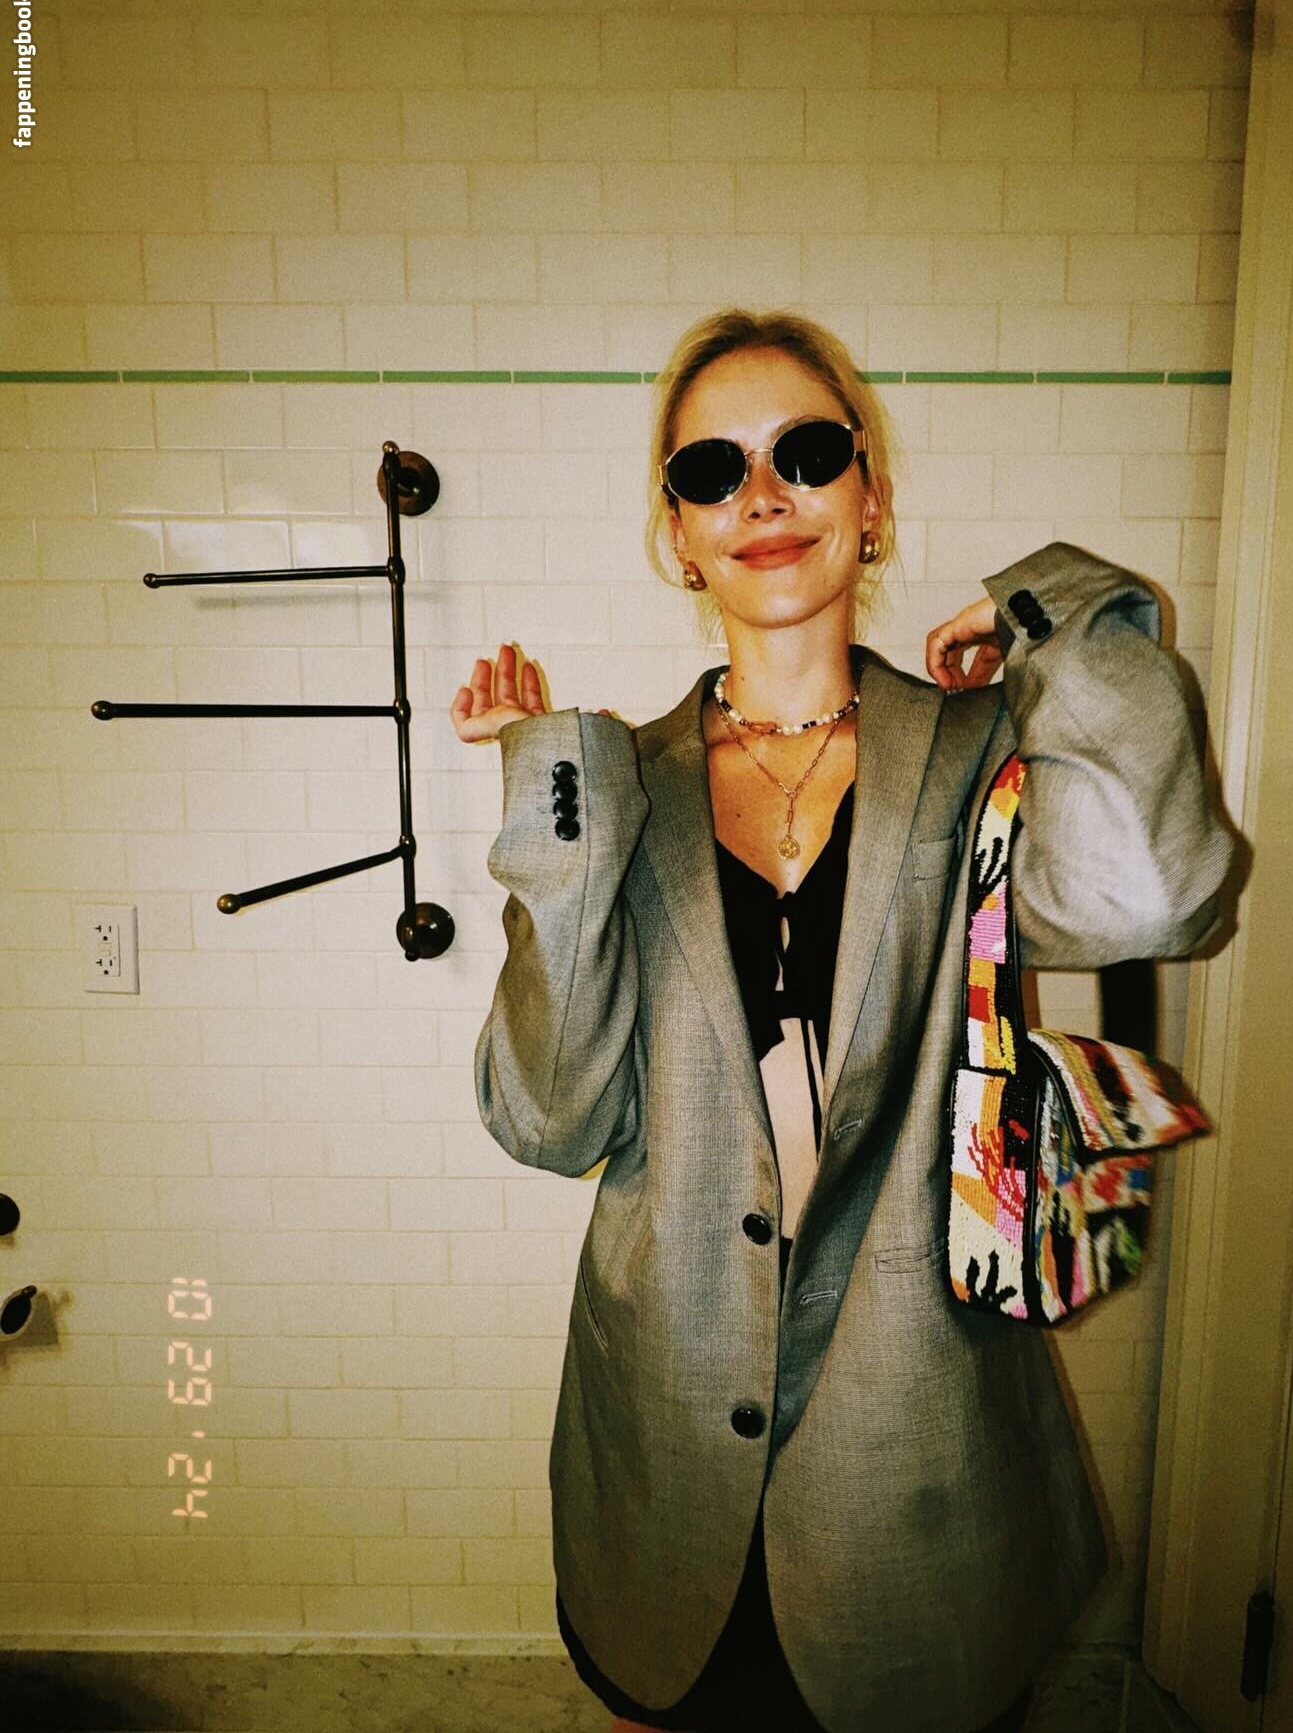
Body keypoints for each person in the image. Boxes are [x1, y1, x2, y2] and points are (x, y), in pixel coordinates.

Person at [452, 309, 1235, 1733]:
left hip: (919, 1440)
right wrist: (551, 796)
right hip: (666, 1430)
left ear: (869, 497)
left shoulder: (982, 749)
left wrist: (1057, 615)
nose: (763, 495)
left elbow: (1156, 894)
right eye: (712, 471)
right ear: (679, 536)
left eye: (807, 453)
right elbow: (551, 1117)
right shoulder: (618, 783)